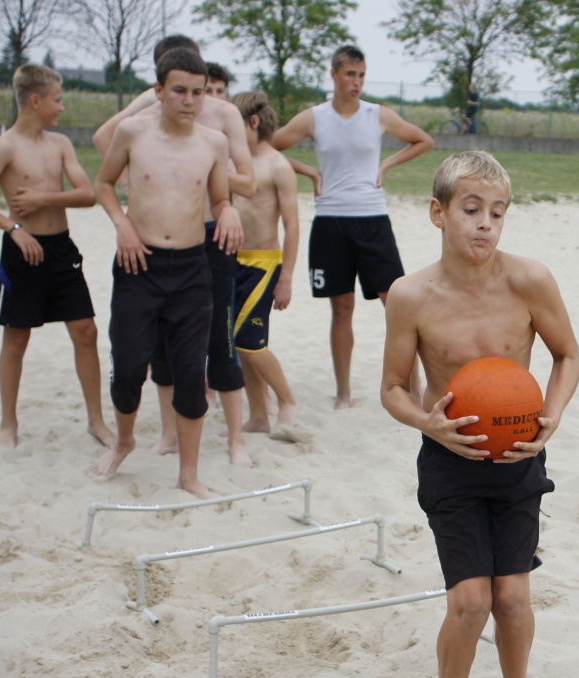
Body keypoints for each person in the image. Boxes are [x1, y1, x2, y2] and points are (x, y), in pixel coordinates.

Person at [381, 151, 579, 678]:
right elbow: (392, 387)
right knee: (470, 603)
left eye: (497, 212)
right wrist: (427, 424)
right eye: (471, 210)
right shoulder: (410, 295)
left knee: (514, 598)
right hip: (449, 463)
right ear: (438, 213)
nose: (485, 224)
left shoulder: (529, 281)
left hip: (519, 459)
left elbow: (568, 353)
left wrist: (552, 415)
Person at [92, 36, 253, 467]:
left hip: (190, 267)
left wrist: (228, 213)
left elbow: (220, 199)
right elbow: (103, 183)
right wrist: (122, 225)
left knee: (189, 375)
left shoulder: (213, 142)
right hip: (137, 263)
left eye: (198, 92)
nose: (190, 100)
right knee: (128, 369)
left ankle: (188, 473)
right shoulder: (132, 132)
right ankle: (123, 442)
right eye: (179, 90)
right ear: (159, 90)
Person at [0, 63, 114, 450]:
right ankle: (8, 424)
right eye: (57, 100)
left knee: (87, 332)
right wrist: (13, 229)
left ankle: (96, 421)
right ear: (35, 100)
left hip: (62, 250)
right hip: (22, 253)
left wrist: (45, 197)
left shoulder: (60, 143)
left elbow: (87, 194)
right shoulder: (5, 146)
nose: (61, 107)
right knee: (16, 339)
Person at [273, 44, 434, 409]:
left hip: (372, 220)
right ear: (333, 75)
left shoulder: (378, 115)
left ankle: (416, 385)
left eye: (361, 74)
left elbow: (423, 140)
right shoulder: (314, 117)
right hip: (331, 221)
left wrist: (386, 166)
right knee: (341, 309)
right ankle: (343, 392)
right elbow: (269, 144)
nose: (357, 82)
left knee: (397, 304)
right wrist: (310, 171)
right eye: (350, 74)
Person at [229, 91, 300, 433]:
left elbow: (292, 225)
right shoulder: (234, 162)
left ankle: (286, 399)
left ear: (253, 122)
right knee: (240, 344)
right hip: (232, 260)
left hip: (264, 264)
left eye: (234, 122)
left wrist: (286, 277)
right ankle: (258, 416)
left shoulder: (278, 166)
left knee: (249, 342)